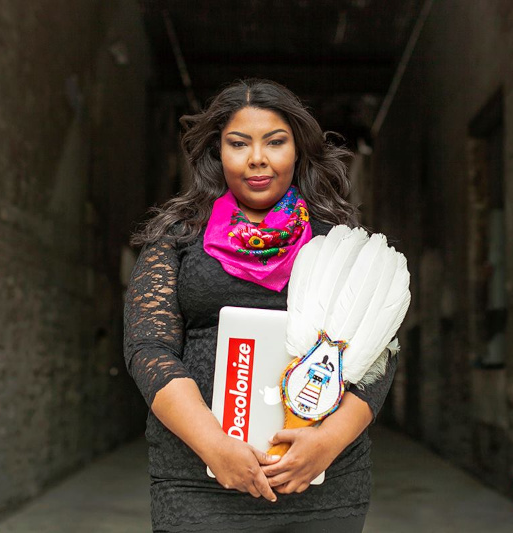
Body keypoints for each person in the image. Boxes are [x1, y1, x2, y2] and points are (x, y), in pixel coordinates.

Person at [124, 79, 398, 532]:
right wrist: (214, 446)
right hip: (199, 481)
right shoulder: (177, 239)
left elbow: (378, 354)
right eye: (238, 143)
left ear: (298, 150)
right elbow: (149, 349)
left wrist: (326, 443)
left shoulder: (337, 242)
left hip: (322, 484)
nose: (257, 158)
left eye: (275, 142)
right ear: (217, 152)